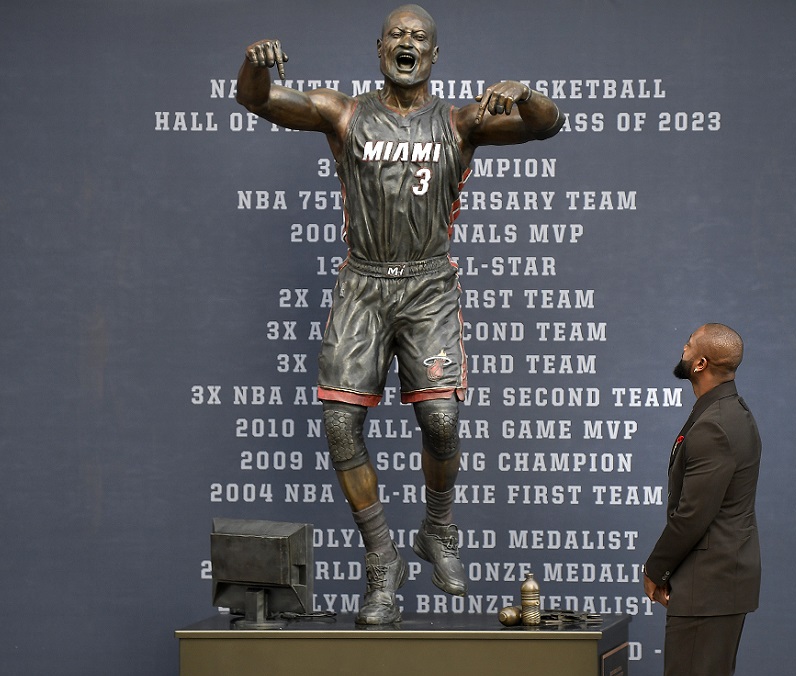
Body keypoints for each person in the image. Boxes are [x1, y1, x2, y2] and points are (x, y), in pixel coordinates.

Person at [235, 4, 564, 625]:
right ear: (379, 47)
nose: (407, 43)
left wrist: (528, 92)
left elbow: (546, 126)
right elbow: (258, 99)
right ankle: (382, 560)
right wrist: (252, 64)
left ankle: (437, 528)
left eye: (419, 37)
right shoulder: (345, 113)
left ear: (433, 56)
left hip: (428, 286)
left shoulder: (462, 121)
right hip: (363, 283)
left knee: (440, 421)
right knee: (339, 427)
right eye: (397, 35)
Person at [643, 324, 762, 676]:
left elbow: (693, 515)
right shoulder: (729, 413)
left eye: (689, 345)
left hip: (707, 587)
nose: (683, 347)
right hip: (717, 583)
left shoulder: (716, 425)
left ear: (700, 363)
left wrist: (655, 569)